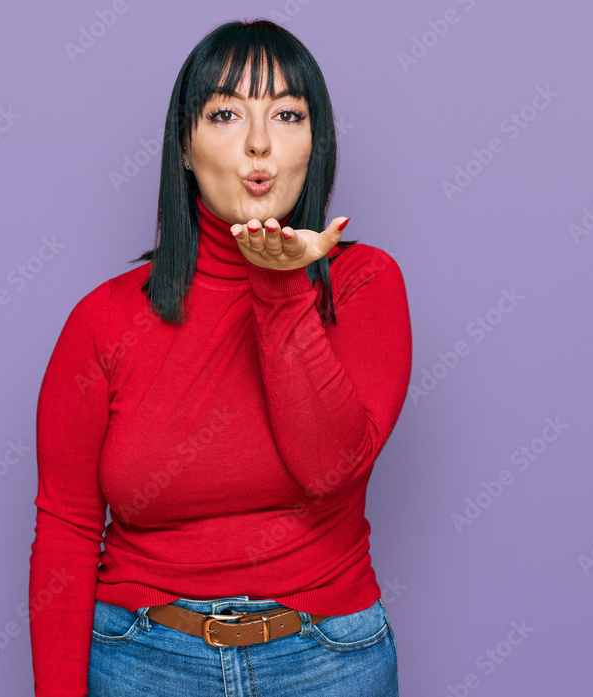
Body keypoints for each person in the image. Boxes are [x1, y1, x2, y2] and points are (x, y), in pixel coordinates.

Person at [28, 18, 412, 697]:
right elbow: (66, 525)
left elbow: (328, 466)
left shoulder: (364, 285)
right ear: (185, 143)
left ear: (314, 144)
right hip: (141, 659)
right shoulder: (104, 318)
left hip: (328, 659)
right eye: (227, 113)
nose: (259, 141)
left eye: (287, 114)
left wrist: (280, 286)